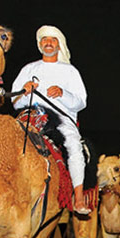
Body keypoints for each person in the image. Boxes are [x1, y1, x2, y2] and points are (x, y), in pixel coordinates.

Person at [12, 25, 90, 214]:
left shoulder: (70, 71)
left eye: (53, 39)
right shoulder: (29, 69)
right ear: (40, 45)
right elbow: (15, 102)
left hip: (61, 120)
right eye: (45, 39)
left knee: (74, 146)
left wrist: (62, 93)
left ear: (59, 45)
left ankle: (78, 197)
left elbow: (81, 102)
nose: (48, 42)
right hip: (30, 117)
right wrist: (25, 91)